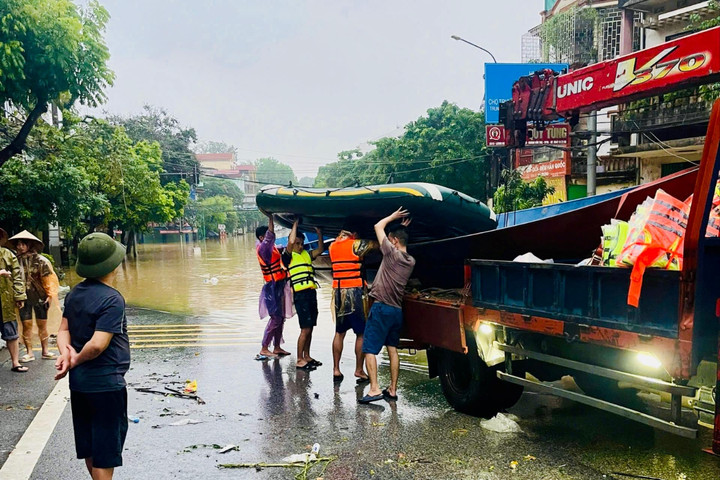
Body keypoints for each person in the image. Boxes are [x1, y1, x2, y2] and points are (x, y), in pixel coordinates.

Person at [54, 232, 130, 480]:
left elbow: (63, 330)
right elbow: (98, 345)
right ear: (113, 265)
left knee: (90, 444)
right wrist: (74, 359)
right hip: (106, 385)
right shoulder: (112, 299)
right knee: (106, 449)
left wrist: (66, 354)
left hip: (80, 384)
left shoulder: (74, 293)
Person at [358, 208, 415, 404]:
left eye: (391, 240)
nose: (388, 242)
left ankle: (374, 390)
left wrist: (392, 217)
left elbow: (377, 226)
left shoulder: (391, 254)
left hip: (381, 308)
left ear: (395, 242)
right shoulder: (410, 261)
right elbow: (398, 239)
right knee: (392, 349)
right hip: (396, 311)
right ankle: (392, 389)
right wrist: (399, 229)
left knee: (369, 349)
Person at [329, 223, 377, 383]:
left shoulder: (332, 246)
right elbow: (376, 244)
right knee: (361, 333)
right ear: (354, 233)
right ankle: (359, 370)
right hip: (354, 293)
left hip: (338, 292)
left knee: (339, 333)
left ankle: (336, 369)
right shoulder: (356, 244)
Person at [8, 230, 59, 362]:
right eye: (18, 244)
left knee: (42, 324)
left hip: (40, 296)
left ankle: (45, 351)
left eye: (23, 244)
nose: (20, 247)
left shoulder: (41, 261)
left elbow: (49, 279)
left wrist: (50, 295)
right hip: (23, 297)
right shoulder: (15, 261)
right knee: (26, 324)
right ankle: (29, 352)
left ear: (29, 245)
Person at [282, 219, 325, 370]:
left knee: (311, 326)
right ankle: (299, 359)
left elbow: (320, 249)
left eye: (301, 244)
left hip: (311, 293)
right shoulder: (288, 256)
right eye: (297, 243)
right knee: (305, 329)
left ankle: (307, 355)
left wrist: (319, 233)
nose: (300, 246)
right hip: (300, 296)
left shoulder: (306, 254)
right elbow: (291, 240)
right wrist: (295, 224)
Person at [256, 211, 294, 360]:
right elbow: (270, 235)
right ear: (261, 237)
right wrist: (271, 217)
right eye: (267, 235)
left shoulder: (272, 248)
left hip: (279, 284)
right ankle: (264, 347)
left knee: (281, 317)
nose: (271, 237)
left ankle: (277, 346)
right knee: (275, 318)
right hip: (271, 287)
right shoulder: (263, 248)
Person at [0, 228, 28, 373]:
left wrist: (19, 296)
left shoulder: (7, 255)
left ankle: (15, 362)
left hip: (6, 300)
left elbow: (17, 277)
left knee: (11, 332)